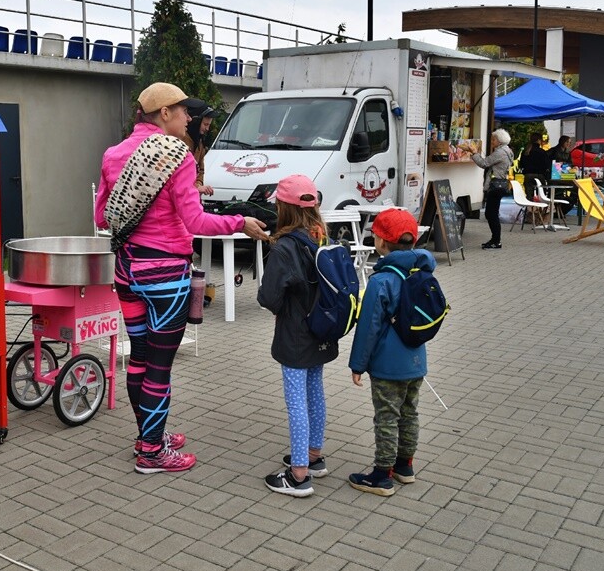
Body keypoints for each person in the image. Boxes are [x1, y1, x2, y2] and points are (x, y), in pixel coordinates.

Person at [94, 82, 268, 475]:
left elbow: (102, 217)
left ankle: (148, 435)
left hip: (126, 270)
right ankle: (152, 453)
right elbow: (195, 221)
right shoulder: (176, 156)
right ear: (165, 113)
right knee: (159, 366)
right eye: (184, 110)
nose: (189, 118)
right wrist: (240, 222)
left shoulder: (113, 154)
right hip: (165, 276)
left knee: (139, 359)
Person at [256, 174, 337, 497]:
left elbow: (268, 297)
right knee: (315, 392)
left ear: (282, 207)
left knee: (296, 401)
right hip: (322, 329)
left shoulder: (285, 247)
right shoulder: (323, 237)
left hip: (294, 333)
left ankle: (299, 474)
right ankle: (314, 456)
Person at [347, 208, 433, 496]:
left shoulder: (381, 280)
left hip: (387, 365)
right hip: (416, 360)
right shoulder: (423, 270)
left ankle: (382, 475)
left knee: (386, 417)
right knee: (409, 413)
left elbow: (368, 326)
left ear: (381, 242)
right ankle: (405, 466)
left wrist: (358, 364)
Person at [464, 129, 514, 249]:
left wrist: (474, 153)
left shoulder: (500, 152)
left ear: (500, 141)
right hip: (502, 184)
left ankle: (496, 241)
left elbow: (484, 163)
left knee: (491, 214)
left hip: (495, 186)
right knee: (492, 213)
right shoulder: (508, 151)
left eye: (493, 139)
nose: (491, 141)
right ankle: (495, 240)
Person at [179, 99, 220, 196]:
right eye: (205, 124)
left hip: (192, 196)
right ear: (195, 122)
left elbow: (201, 170)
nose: (207, 129)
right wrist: (196, 188)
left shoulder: (200, 144)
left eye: (209, 125)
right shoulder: (179, 141)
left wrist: (198, 184)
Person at [520, 133, 550, 200]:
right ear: (539, 140)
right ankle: (539, 206)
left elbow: (521, 164)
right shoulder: (542, 152)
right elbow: (546, 165)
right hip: (540, 175)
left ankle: (530, 206)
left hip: (528, 175)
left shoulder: (525, 151)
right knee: (541, 196)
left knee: (529, 196)